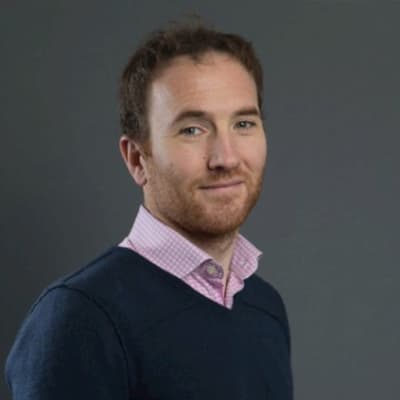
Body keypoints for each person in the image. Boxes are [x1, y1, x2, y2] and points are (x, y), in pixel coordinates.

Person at [5, 18, 294, 399]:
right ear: (137, 159)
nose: (226, 157)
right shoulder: (81, 317)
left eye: (243, 123)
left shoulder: (264, 307)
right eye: (192, 129)